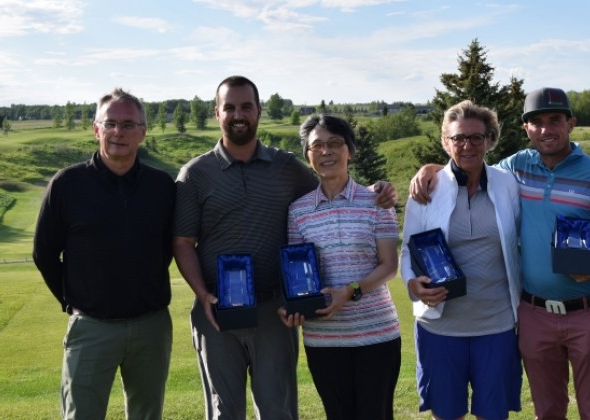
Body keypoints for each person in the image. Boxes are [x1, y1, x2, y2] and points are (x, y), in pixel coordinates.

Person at [173, 75, 396, 420]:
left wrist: (377, 191)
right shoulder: (195, 174)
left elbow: (333, 182)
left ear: (259, 111)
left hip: (274, 308)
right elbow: (183, 242)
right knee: (223, 412)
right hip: (216, 311)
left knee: (278, 412)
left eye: (246, 106)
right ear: (217, 112)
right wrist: (202, 294)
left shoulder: (286, 166)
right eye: (229, 107)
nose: (238, 114)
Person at [410, 88, 590, 420]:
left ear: (571, 123)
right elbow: (467, 165)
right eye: (536, 122)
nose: (546, 129)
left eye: (555, 120)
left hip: (587, 312)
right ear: (526, 129)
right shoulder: (516, 169)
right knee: (547, 410)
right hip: (534, 314)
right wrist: (431, 169)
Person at [33, 88, 175, 420]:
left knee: (147, 414)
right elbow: (44, 253)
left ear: (143, 132)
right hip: (92, 327)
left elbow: (170, 246)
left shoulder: (162, 187)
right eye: (109, 123)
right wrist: (72, 300)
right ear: (96, 129)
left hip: (151, 326)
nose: (118, 133)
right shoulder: (67, 184)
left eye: (128, 125)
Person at [401, 100, 523, 420]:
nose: (467, 145)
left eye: (476, 138)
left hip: (496, 324)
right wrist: (413, 285)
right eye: (458, 138)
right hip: (439, 326)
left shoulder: (508, 183)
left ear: (490, 140)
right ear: (445, 141)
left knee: (493, 414)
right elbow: (407, 251)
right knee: (446, 414)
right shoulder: (426, 188)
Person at [278, 114, 401, 420]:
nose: (326, 151)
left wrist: (351, 290)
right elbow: (297, 273)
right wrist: (293, 305)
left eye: (335, 143)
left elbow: (390, 266)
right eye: (316, 145)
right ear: (308, 156)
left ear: (349, 150)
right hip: (324, 337)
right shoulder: (298, 211)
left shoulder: (377, 200)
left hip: (376, 334)